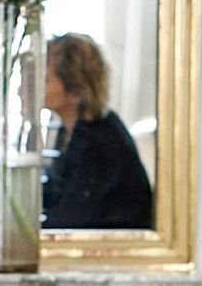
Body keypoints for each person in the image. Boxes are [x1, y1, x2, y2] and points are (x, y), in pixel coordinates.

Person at [42, 33, 154, 229]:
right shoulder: (71, 130)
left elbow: (70, 218)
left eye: (46, 80)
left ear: (75, 89)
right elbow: (57, 196)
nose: (35, 86)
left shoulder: (100, 140)